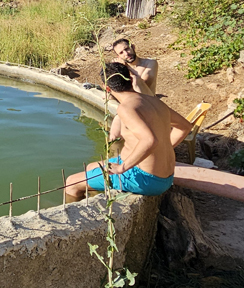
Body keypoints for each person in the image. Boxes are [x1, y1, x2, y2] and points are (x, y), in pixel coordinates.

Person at [64, 62, 192, 202]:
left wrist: (122, 168)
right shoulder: (154, 101)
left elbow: (150, 140)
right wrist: (162, 149)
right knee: (91, 167)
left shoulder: (126, 108)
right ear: (131, 79)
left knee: (71, 183)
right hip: (166, 176)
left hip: (146, 179)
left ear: (107, 88)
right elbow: (185, 126)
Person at [108, 38, 159, 143]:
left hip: (147, 104)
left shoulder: (150, 63)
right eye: (121, 53)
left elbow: (144, 83)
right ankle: (118, 158)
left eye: (127, 49)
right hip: (129, 107)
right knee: (113, 137)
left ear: (133, 47)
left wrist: (127, 68)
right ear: (118, 56)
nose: (126, 54)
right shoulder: (121, 69)